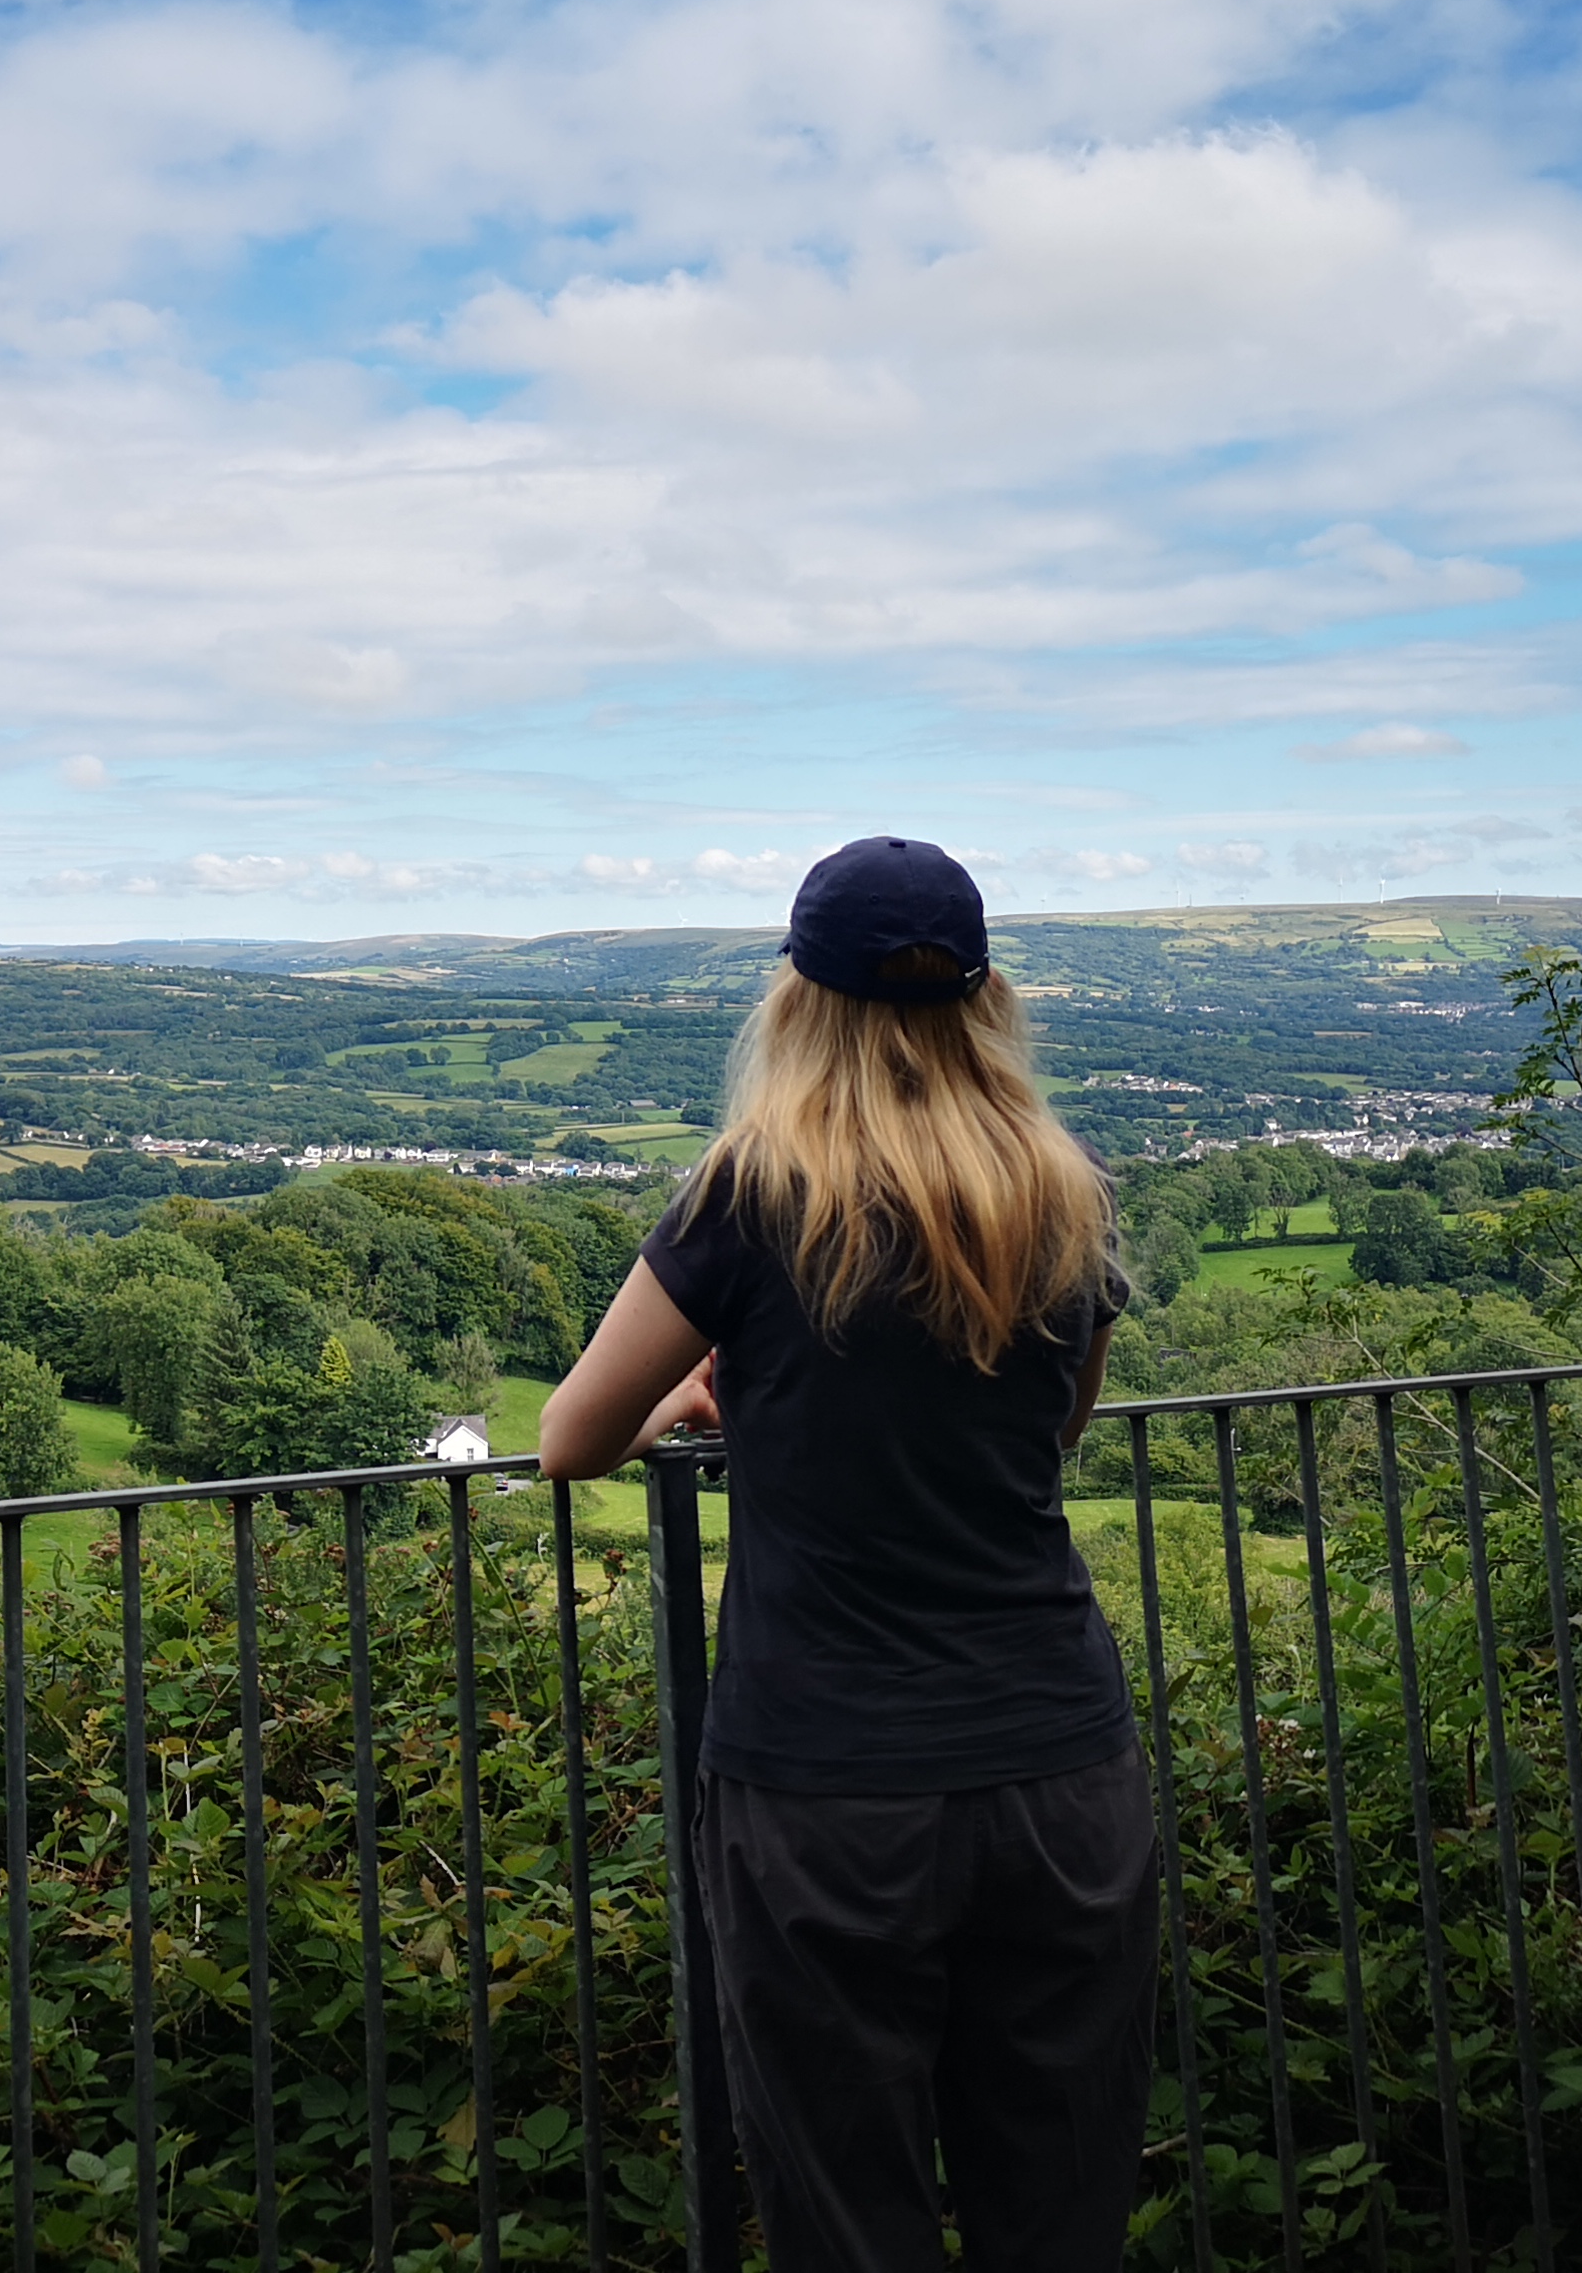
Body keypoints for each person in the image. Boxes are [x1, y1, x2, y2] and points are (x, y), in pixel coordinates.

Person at [539, 835, 1155, 2272]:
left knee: (845, 2211)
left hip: (827, 1783)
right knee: (1060, 2209)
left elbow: (571, 1439)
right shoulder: (1063, 1190)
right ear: (987, 996)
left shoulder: (750, 1196)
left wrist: (711, 1401)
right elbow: (1044, 1436)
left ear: (797, 999)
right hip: (1061, 1765)